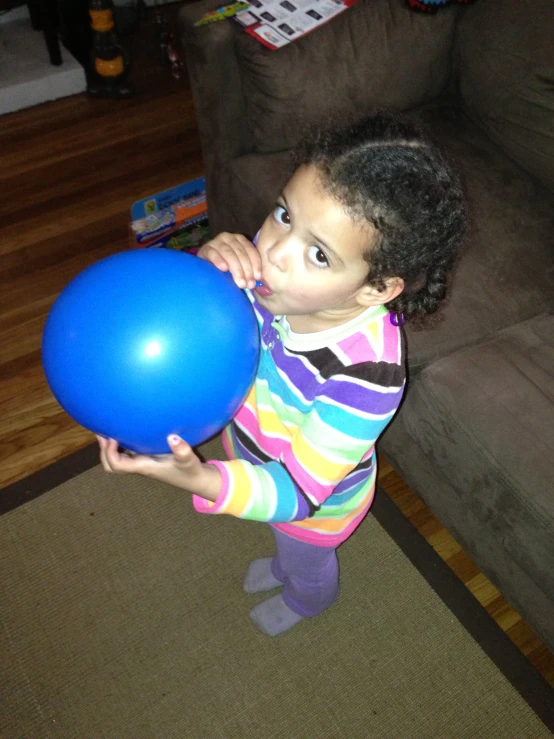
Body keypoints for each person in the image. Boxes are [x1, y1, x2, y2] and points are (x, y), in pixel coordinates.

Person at [98, 112, 467, 636]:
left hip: (313, 505)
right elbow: (213, 323)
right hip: (251, 445)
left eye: (319, 254)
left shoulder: (368, 377)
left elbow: (294, 493)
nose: (272, 251)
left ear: (376, 288)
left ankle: (307, 599)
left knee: (299, 556)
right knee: (270, 532)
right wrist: (208, 272)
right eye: (283, 214)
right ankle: (280, 567)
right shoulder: (276, 277)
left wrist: (198, 479)